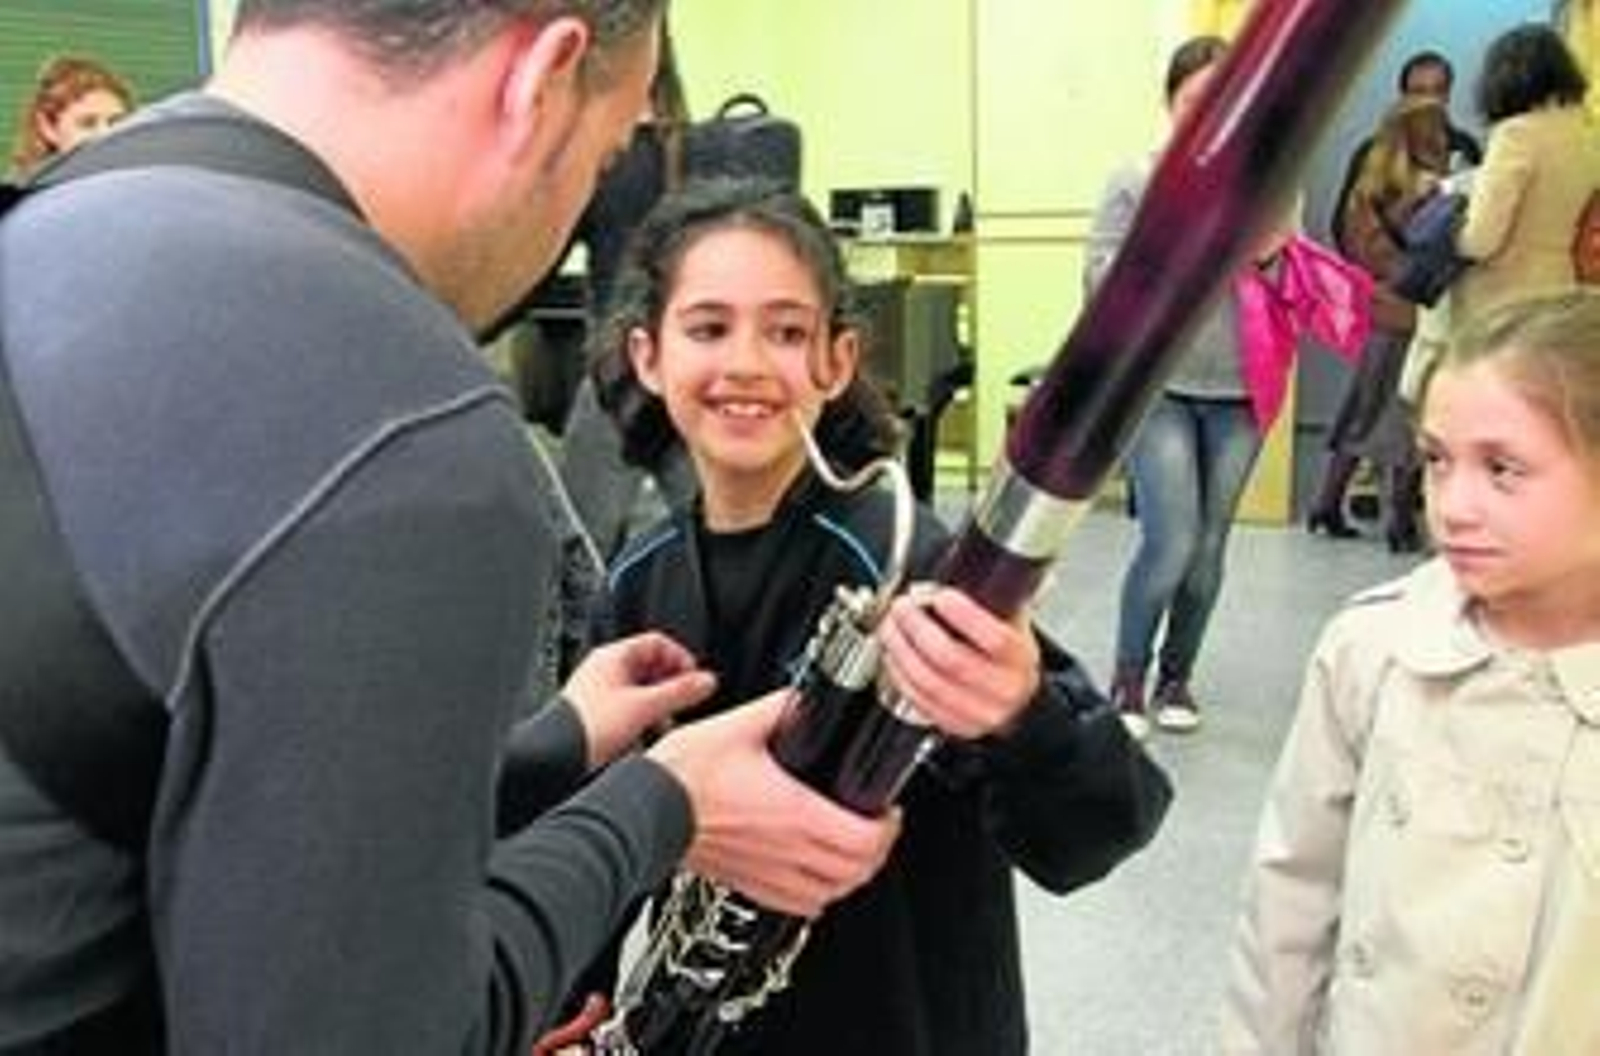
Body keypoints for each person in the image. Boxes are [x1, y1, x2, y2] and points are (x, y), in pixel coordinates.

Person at [0, 4, 903, 1052]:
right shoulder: (404, 428)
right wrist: (659, 808)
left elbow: (191, 762)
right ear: (543, 77)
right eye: (605, 155)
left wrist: (552, 751)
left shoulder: (57, 229)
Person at [582, 178, 1172, 1055]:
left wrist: (1021, 714)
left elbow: (1095, 832)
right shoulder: (635, 582)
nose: (746, 362)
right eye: (708, 328)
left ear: (837, 359)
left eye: (787, 331)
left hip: (910, 1021)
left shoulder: (915, 568)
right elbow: (608, 821)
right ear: (648, 355)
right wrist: (586, 982)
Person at [1220, 288, 1600, 1054]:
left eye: (1503, 469)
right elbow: (1289, 906)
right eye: (1435, 461)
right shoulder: (1374, 648)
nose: (1451, 506)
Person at [1092, 36, 1328, 737]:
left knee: (1208, 550)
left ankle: (1176, 680)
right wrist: (1172, 255)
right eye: (1193, 99)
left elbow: (1296, 288)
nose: (1207, 114)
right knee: (1170, 541)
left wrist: (1274, 250)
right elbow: (1099, 278)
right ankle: (1128, 680)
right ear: (1171, 104)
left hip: (1242, 391)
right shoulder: (1137, 180)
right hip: (1157, 386)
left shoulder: (1273, 184)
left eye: (1221, 100)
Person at [555, 21, 696, 560]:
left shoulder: (601, 152)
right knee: (713, 520)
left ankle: (573, 641)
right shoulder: (686, 145)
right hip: (678, 352)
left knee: (581, 536)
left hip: (618, 360)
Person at [1307, 95, 1450, 552]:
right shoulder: (1424, 188)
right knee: (1402, 414)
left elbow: (1355, 242)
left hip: (1377, 306)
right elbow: (1419, 252)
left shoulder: (1370, 183)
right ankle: (1399, 520)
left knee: (1364, 407)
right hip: (1411, 310)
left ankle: (1326, 504)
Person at [1450, 23, 1600, 329]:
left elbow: (1481, 241)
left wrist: (1449, 230)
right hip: (1559, 290)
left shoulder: (1516, 134)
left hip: (1501, 301)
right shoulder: (1587, 139)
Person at [1328, 49, 1482, 239]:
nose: (1430, 100)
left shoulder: (1467, 146)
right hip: (1386, 264)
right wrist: (1409, 201)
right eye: (1419, 92)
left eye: (1438, 90)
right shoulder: (1372, 152)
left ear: (1448, 95)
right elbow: (1343, 230)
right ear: (1403, 98)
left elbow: (1486, 218)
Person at [8, 54, 134, 176]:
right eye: (88, 123)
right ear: (48, 127)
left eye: (116, 123)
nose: (105, 133)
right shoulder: (30, 195)